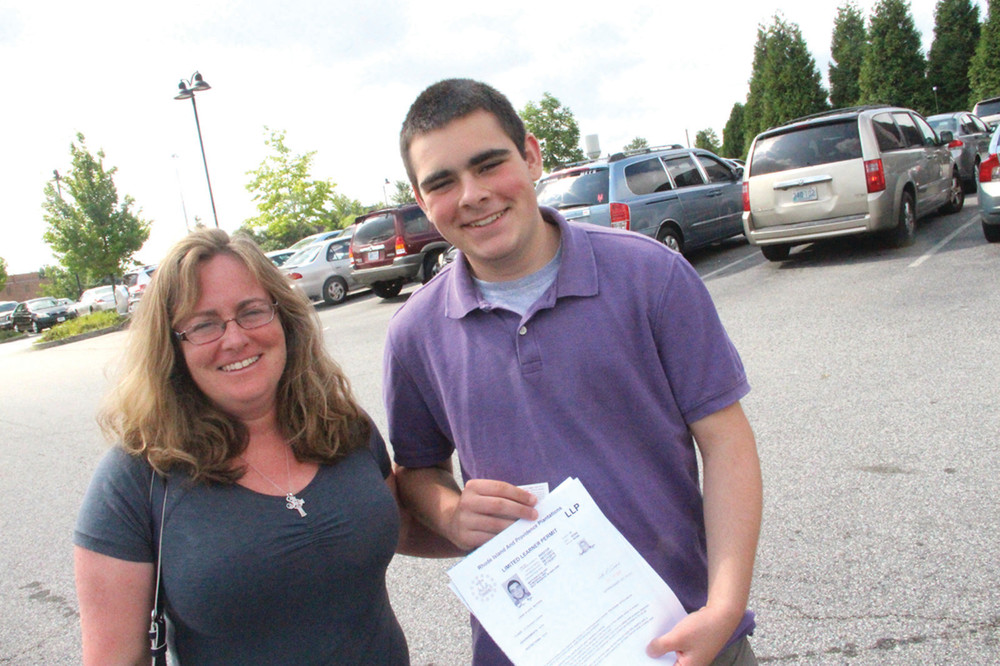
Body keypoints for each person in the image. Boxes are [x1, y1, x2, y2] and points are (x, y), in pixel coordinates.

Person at [385, 78, 763, 666]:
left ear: (531, 156)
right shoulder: (415, 334)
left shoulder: (651, 277)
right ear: (420, 196)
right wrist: (447, 512)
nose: (472, 194)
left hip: (685, 638)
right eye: (442, 182)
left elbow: (728, 445)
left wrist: (724, 608)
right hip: (530, 648)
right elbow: (417, 470)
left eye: (490, 165)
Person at [74, 229, 455, 665]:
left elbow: (394, 525)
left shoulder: (342, 426)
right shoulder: (136, 478)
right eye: (203, 325)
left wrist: (486, 523)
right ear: (171, 348)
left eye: (251, 312)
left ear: (283, 318)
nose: (234, 339)